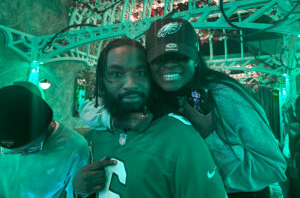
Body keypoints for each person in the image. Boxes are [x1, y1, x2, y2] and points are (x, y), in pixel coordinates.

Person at [79, 18, 287, 198]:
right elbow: (90, 107)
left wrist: (209, 136)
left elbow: (273, 168)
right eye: (159, 59)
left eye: (179, 57)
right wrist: (116, 119)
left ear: (195, 60)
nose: (169, 66)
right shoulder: (155, 93)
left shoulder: (223, 95)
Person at [73, 38, 227, 198]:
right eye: (116, 74)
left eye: (140, 72)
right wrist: (78, 188)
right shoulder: (92, 138)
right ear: (102, 81)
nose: (131, 84)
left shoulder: (181, 138)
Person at [0, 82, 89, 198]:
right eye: (14, 151)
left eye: (31, 148)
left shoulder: (76, 147)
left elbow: (75, 194)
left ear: (46, 127)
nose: (24, 155)